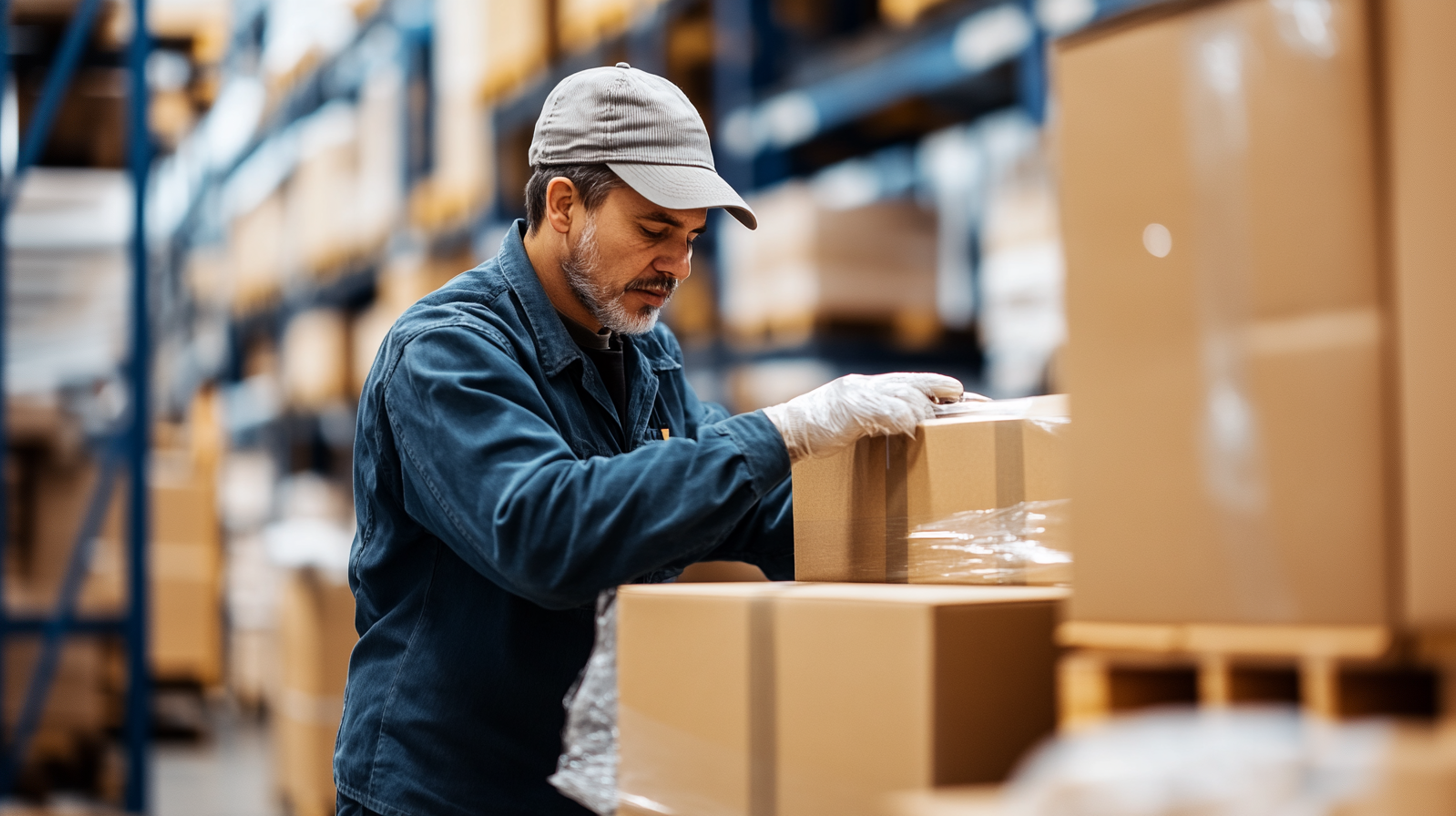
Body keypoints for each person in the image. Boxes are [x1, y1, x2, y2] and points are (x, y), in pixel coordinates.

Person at [333, 63, 969, 816]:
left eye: (693, 238)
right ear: (564, 205)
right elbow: (544, 533)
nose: (679, 266)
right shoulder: (446, 353)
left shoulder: (640, 354)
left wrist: (958, 510)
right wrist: (784, 429)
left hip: (587, 785)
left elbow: (743, 511)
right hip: (446, 791)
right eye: (655, 231)